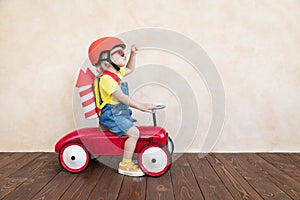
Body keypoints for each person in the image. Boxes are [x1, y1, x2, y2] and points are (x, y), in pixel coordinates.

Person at [88, 37, 154, 176]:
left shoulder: (116, 73)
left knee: (128, 132)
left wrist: (133, 54)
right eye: (119, 52)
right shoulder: (106, 79)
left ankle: (125, 157)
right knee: (134, 133)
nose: (124, 55)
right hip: (111, 114)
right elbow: (122, 98)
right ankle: (126, 164)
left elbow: (129, 68)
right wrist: (141, 106)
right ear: (105, 58)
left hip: (118, 112)